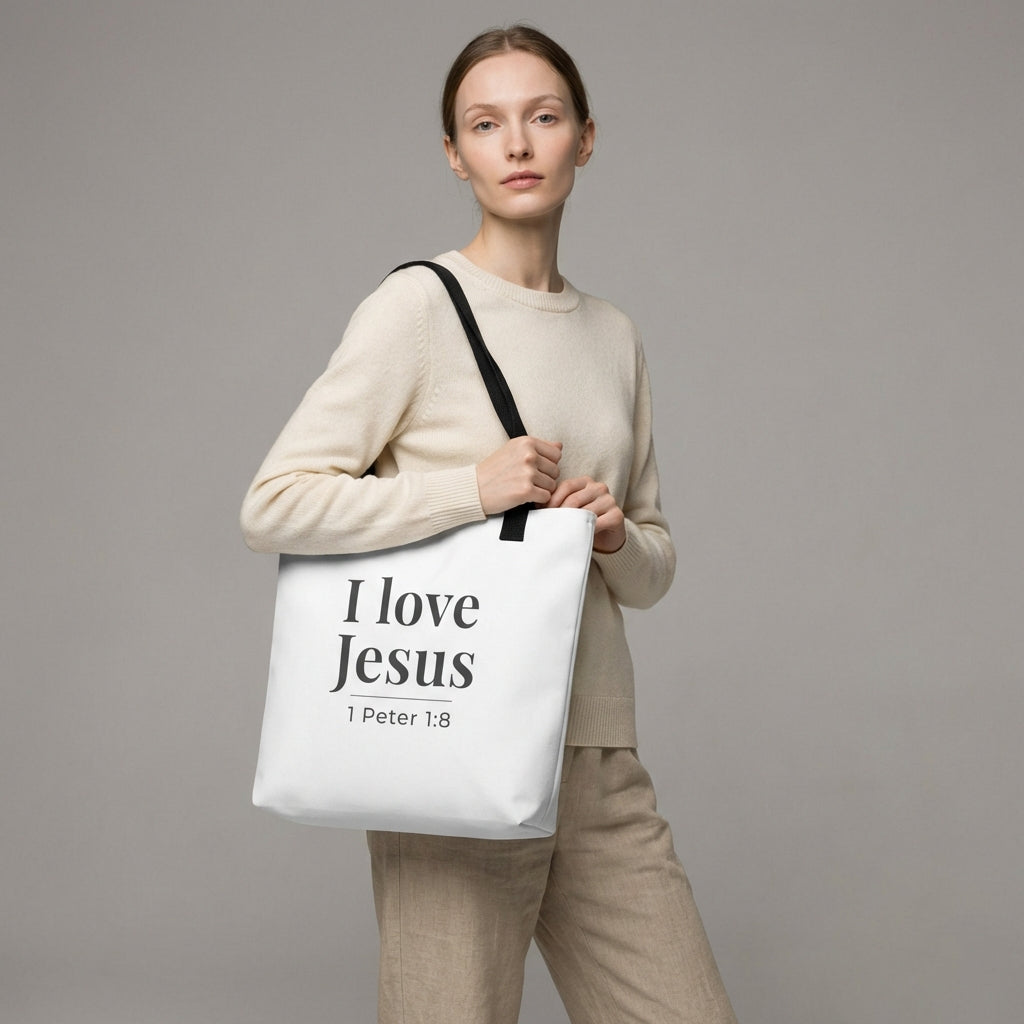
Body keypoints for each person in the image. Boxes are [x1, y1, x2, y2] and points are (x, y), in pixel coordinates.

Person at [241, 24, 738, 1024]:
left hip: (595, 756)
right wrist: (472, 487)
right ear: (454, 154)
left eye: (542, 118)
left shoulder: (613, 335)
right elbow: (275, 502)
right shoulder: (416, 309)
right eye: (486, 123)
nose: (517, 144)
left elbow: (652, 567)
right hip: (450, 746)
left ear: (584, 140)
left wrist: (611, 536)